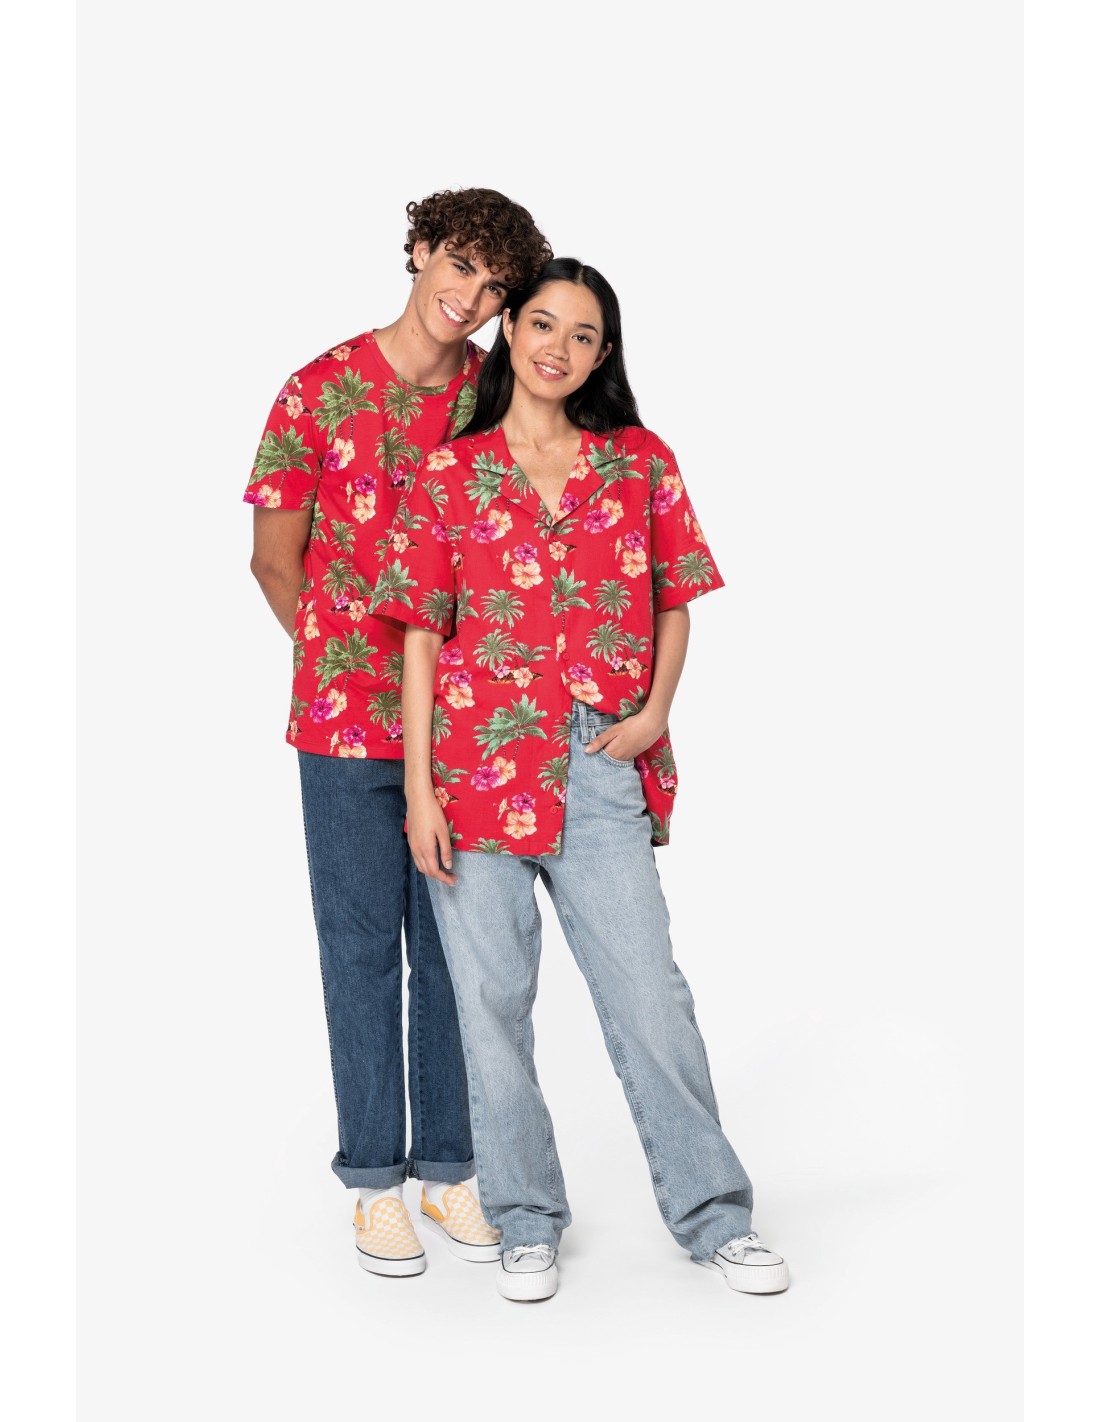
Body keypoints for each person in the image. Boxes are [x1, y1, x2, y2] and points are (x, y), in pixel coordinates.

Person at [371, 257, 790, 1301]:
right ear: (509, 332)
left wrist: (652, 715)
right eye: (543, 325)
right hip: (472, 772)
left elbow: (673, 596)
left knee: (649, 996)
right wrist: (419, 791)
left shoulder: (638, 462)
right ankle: (524, 1219)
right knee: (491, 1006)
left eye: (584, 335)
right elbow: (420, 637)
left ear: (603, 355)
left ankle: (715, 1215)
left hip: (601, 763)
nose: (559, 348)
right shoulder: (450, 475)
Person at [244, 189, 552, 1277]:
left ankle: (451, 1169)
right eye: (458, 265)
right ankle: (374, 1182)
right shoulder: (316, 389)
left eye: (493, 287)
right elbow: (273, 560)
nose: (468, 296)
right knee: (360, 951)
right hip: (342, 727)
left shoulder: (497, 395)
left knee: (459, 954)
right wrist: (345, 663)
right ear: (418, 249)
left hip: (466, 727)